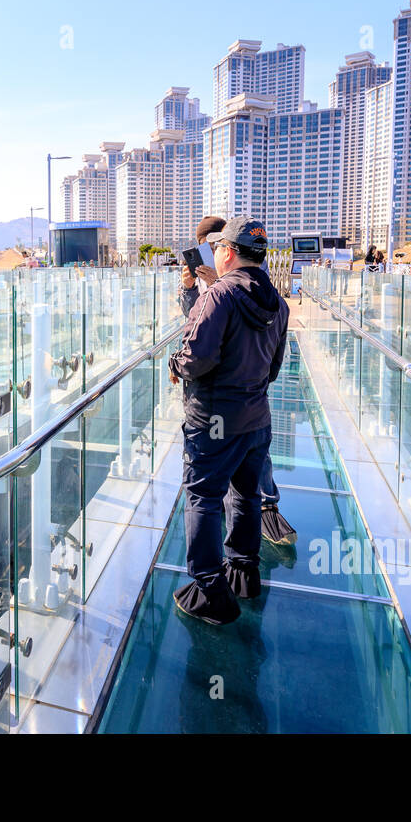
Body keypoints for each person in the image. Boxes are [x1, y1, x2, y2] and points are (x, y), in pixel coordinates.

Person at [168, 216, 289, 625]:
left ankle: (210, 590)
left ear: (229, 252)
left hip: (213, 422)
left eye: (219, 246)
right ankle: (243, 572)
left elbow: (197, 358)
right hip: (256, 419)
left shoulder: (218, 296)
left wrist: (175, 363)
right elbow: (273, 369)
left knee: (202, 496)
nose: (215, 252)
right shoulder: (278, 302)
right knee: (246, 495)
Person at [178, 215, 224, 317]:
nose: (212, 252)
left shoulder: (238, 267)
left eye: (215, 245)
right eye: (206, 248)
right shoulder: (200, 271)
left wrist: (220, 285)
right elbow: (190, 314)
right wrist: (188, 289)